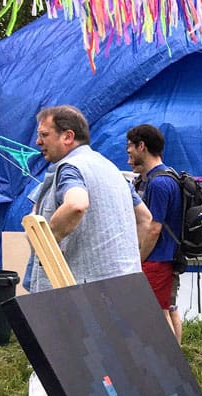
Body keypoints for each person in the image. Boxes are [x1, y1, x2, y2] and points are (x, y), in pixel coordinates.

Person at [29, 105, 146, 293]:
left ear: (68, 136)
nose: (37, 142)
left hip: (84, 295)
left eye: (44, 135)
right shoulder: (111, 169)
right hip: (126, 286)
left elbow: (76, 204)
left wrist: (49, 243)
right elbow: (145, 219)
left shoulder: (71, 168)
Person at [126, 124, 185, 343]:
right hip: (167, 257)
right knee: (169, 309)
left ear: (142, 146)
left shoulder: (158, 183)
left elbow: (154, 227)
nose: (128, 153)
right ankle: (177, 363)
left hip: (156, 259)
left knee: (158, 313)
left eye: (130, 147)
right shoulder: (169, 176)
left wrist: (138, 258)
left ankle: (169, 365)